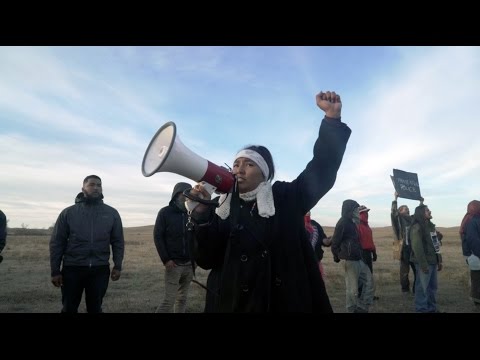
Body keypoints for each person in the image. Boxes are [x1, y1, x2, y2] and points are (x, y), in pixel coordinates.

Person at [187, 90, 351, 312]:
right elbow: (207, 260)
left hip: (280, 303)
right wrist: (200, 216)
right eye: (236, 164)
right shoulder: (219, 207)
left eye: (249, 164)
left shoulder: (285, 197)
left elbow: (322, 169)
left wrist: (331, 120)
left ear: (264, 173)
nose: (239, 170)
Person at [49, 175, 125, 313]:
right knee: (69, 308)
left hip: (100, 269)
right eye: (91, 184)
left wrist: (118, 266)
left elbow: (118, 241)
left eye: (99, 185)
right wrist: (55, 270)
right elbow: (57, 243)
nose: (96, 187)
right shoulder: (68, 213)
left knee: (95, 308)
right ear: (83, 188)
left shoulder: (111, 213)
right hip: (72, 268)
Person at [153, 182, 195, 313]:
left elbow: (197, 238)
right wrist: (166, 259)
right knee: (169, 301)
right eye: (185, 193)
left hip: (189, 264)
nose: (188, 197)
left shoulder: (193, 212)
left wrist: (195, 260)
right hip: (174, 265)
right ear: (177, 194)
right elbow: (158, 237)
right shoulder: (165, 212)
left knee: (182, 299)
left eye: (190, 194)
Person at [331, 200, 374, 313]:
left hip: (358, 258)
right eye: (355, 209)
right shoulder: (343, 223)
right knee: (352, 289)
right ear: (350, 210)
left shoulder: (353, 222)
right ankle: (351, 309)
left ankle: (362, 308)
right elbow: (335, 241)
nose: (357, 211)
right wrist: (336, 256)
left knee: (369, 282)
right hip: (349, 260)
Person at [409, 204, 443, 313]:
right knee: (422, 288)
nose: (430, 212)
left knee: (432, 288)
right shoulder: (417, 227)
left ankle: (431, 309)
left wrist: (439, 260)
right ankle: (422, 310)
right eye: (427, 210)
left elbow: (435, 244)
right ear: (421, 213)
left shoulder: (431, 226)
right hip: (424, 263)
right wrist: (423, 264)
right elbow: (417, 247)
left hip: (433, 261)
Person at [390, 192, 423, 293]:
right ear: (400, 211)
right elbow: (393, 212)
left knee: (417, 270)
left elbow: (420, 214)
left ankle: (416, 289)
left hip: (413, 249)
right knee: (404, 271)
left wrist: (421, 203)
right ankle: (405, 289)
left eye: (408, 208)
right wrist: (395, 198)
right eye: (405, 208)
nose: (407, 209)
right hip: (403, 248)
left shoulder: (413, 219)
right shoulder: (398, 219)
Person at [459, 200, 480, 306]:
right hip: (475, 255)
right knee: (476, 278)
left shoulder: (473, 219)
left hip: (475, 254)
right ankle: (477, 300)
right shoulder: (472, 221)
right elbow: (473, 240)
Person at [357, 205, 378, 300]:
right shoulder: (357, 225)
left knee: (369, 274)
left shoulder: (367, 226)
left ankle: (368, 294)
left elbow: (370, 240)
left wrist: (374, 252)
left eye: (367, 212)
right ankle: (361, 294)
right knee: (362, 275)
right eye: (364, 212)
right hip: (361, 253)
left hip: (368, 252)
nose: (366, 214)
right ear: (359, 214)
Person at [304, 211, 331, 279]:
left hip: (315, 261)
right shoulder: (295, 224)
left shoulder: (315, 224)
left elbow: (323, 240)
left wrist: (329, 241)